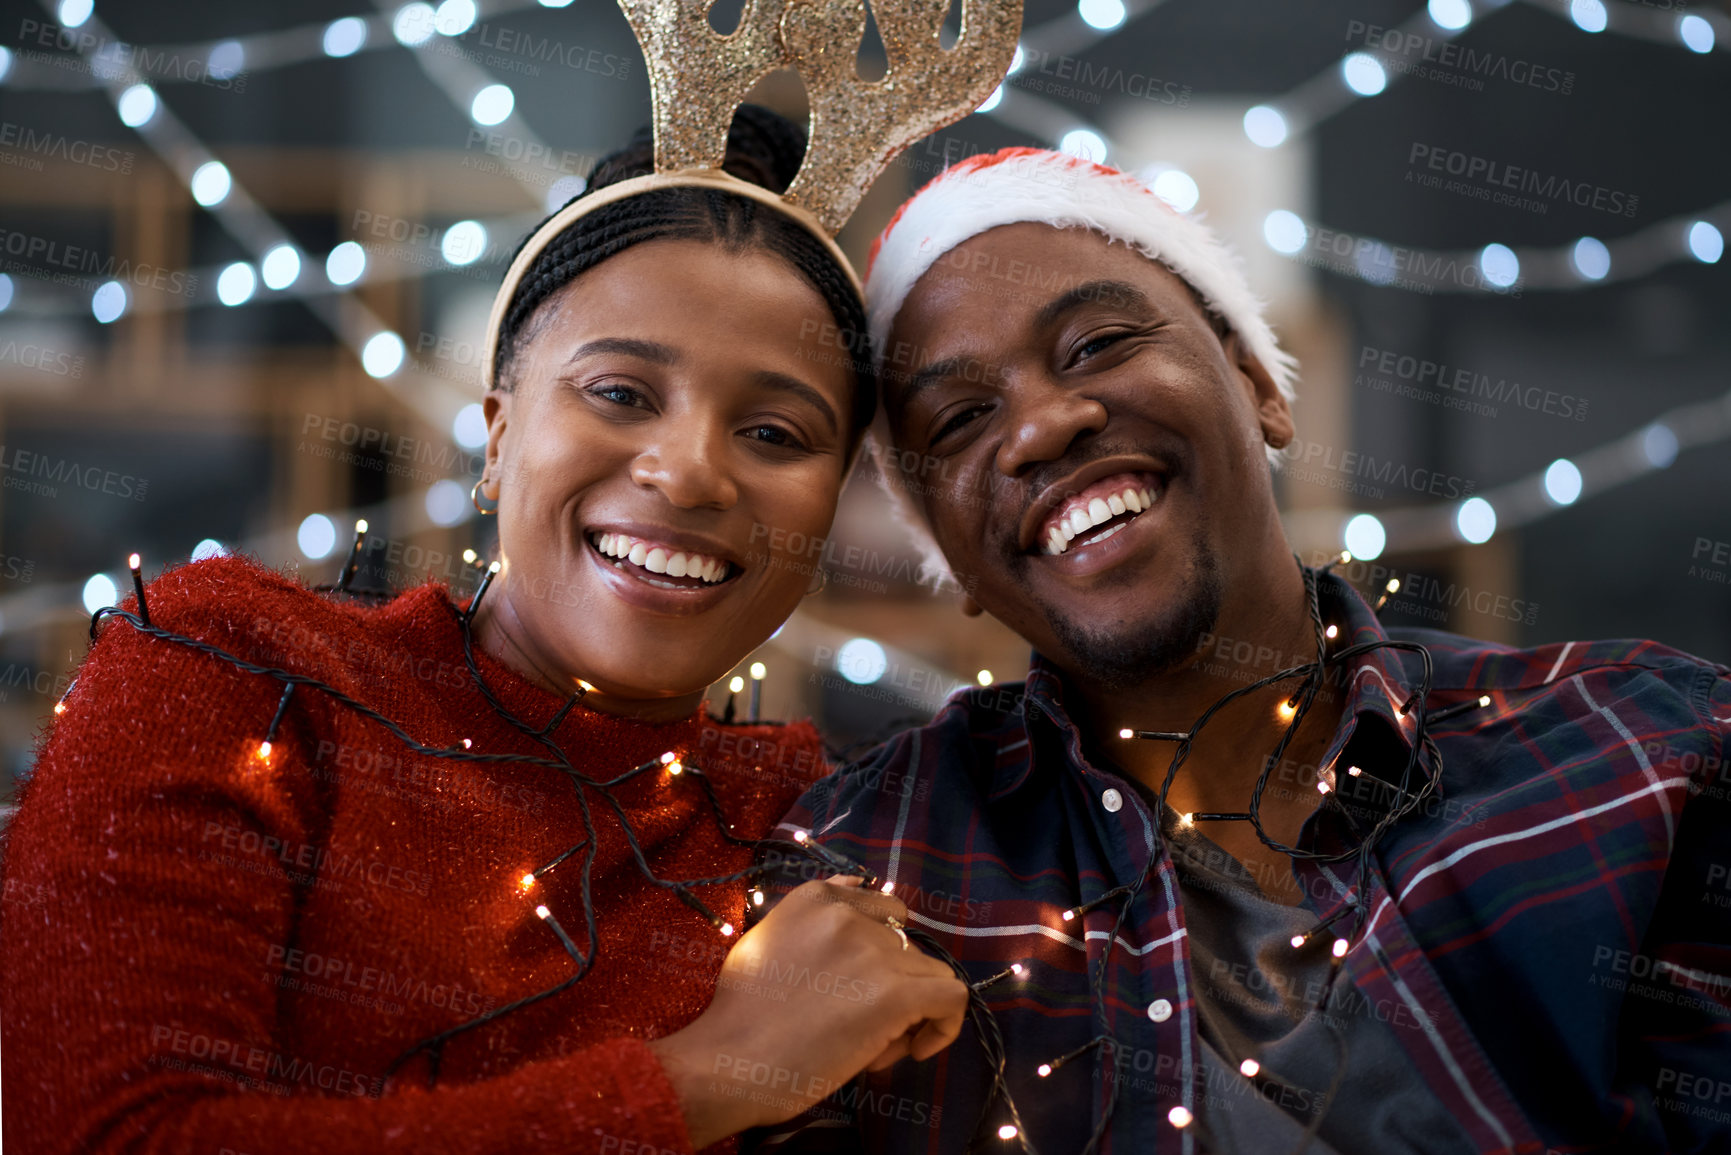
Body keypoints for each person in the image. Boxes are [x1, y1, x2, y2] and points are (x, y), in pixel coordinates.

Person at [0, 108, 968, 1155]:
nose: (689, 472)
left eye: (777, 433)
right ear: (500, 435)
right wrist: (704, 1079)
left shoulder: (808, 828)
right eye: (620, 392)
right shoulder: (236, 671)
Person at [756, 148, 1731, 1154]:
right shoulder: (869, 870)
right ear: (948, 558)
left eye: (1096, 344)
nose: (1044, 425)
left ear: (1260, 383)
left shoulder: (1647, 751)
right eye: (960, 419)